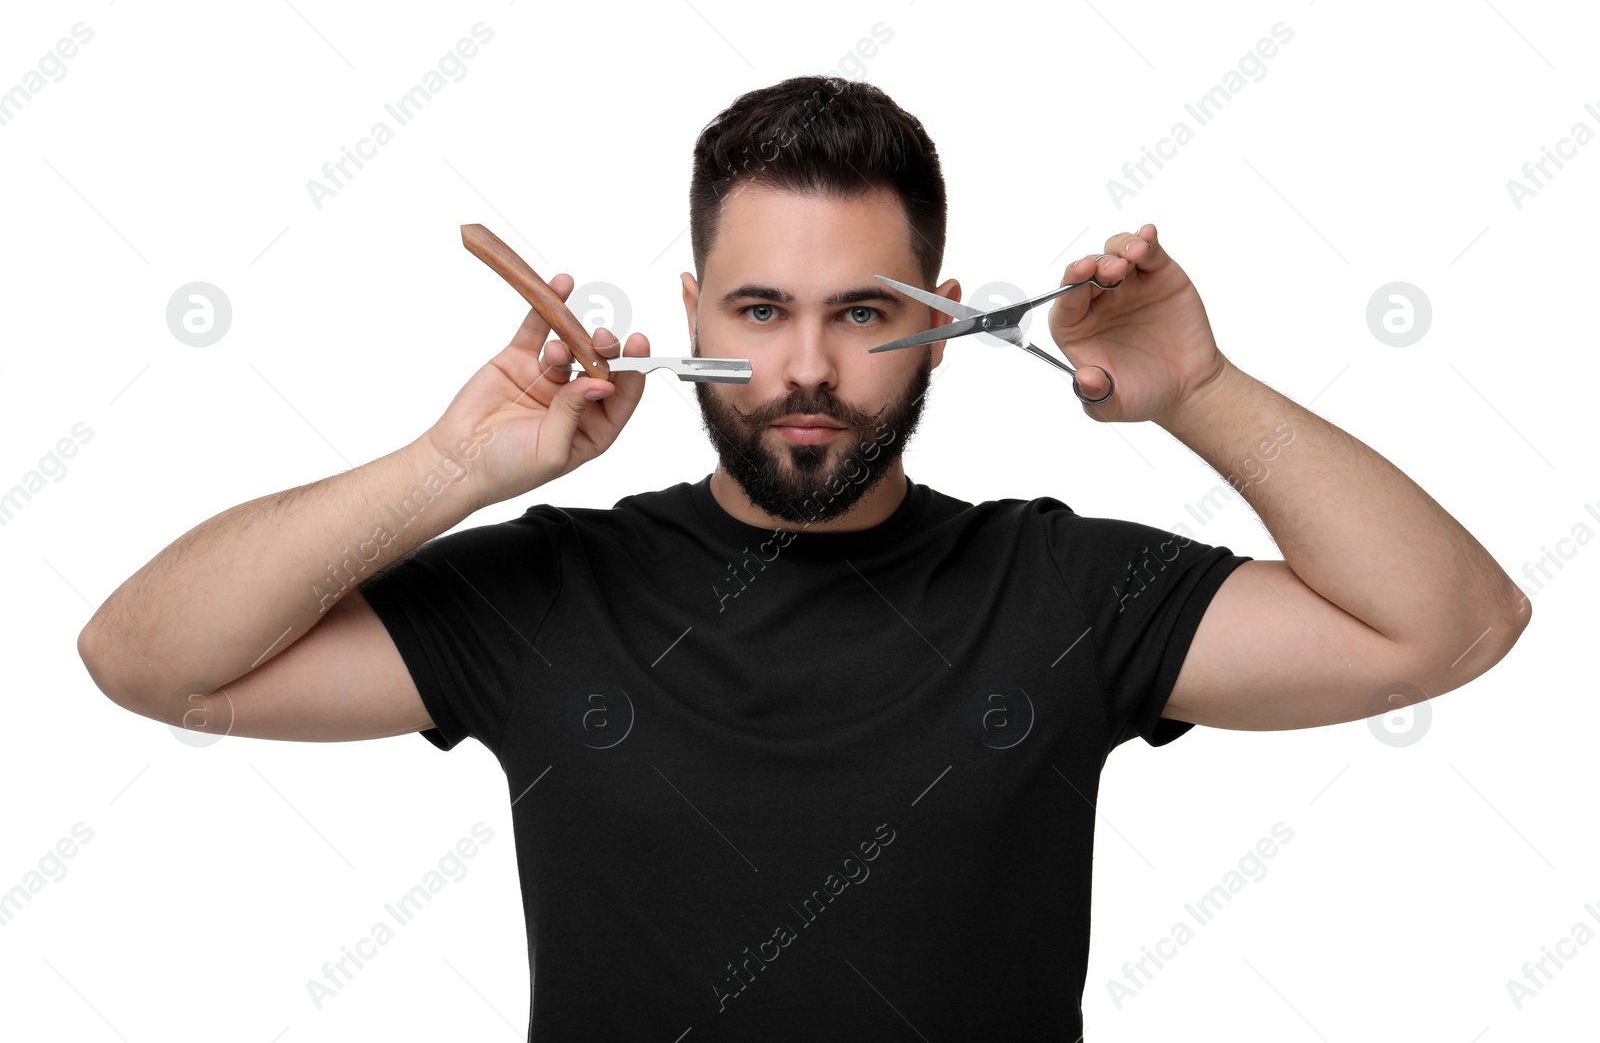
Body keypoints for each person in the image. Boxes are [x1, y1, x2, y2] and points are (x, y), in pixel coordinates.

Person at [77, 75, 1530, 1040]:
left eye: (866, 311)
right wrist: (449, 470)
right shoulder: (548, 591)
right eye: (763, 309)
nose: (812, 368)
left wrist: (1204, 389)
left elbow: (1447, 628)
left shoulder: (1065, 591)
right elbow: (148, 660)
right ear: (696, 305)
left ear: (947, 316)